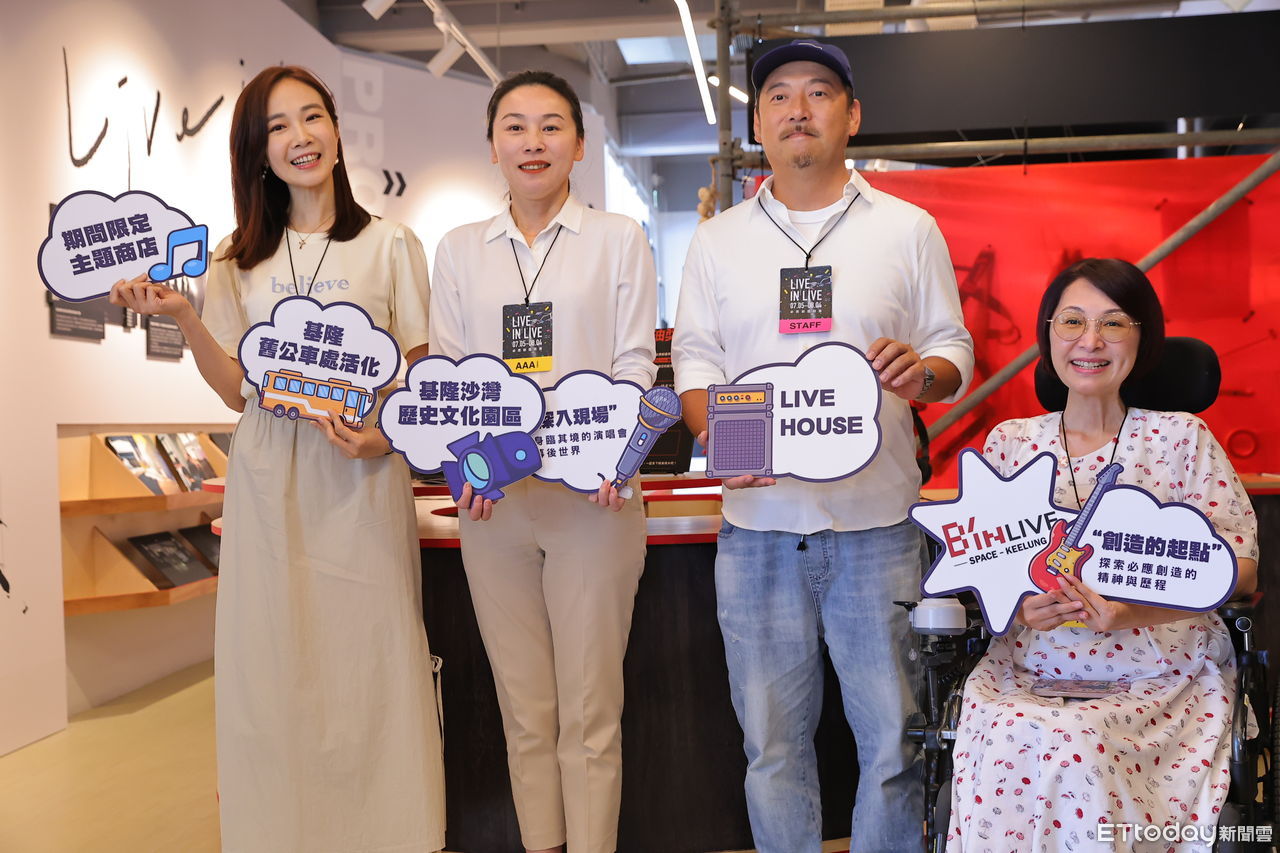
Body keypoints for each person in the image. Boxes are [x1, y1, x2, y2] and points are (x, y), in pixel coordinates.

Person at [109, 65, 445, 853]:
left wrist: (383, 436)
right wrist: (186, 316)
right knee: (272, 661)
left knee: (373, 654)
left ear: (337, 130)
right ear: (257, 152)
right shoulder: (233, 261)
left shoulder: (391, 244)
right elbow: (237, 389)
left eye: (313, 116)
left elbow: (420, 373)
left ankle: (391, 833)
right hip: (268, 476)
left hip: (359, 471)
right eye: (278, 127)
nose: (301, 137)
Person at [673, 40, 975, 853]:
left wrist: (924, 372)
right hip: (758, 528)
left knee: (895, 741)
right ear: (759, 125)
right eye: (776, 95)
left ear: (853, 115)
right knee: (771, 747)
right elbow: (696, 361)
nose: (797, 109)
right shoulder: (717, 241)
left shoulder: (907, 228)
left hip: (879, 525)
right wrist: (718, 434)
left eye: (817, 92)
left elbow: (953, 349)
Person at [945, 258, 1259, 852]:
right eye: (1072, 321)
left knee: (1078, 742)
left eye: (1113, 323)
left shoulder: (1182, 439)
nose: (1090, 341)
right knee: (1017, 730)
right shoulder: (1010, 443)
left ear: (1143, 339)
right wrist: (1018, 608)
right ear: (1048, 335)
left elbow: (1240, 569)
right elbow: (980, 571)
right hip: (1030, 669)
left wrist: (1130, 613)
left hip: (1161, 672)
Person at [428, 70, 657, 853]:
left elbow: (635, 364)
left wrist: (620, 459)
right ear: (492, 144)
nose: (534, 142)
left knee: (590, 708)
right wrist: (467, 468)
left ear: (580, 145)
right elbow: (451, 376)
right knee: (524, 708)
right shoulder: (460, 250)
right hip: (495, 505)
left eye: (551, 126)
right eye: (516, 126)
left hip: (593, 499)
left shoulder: (617, 238)